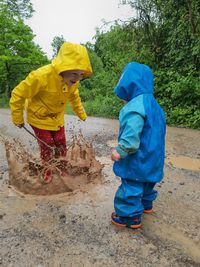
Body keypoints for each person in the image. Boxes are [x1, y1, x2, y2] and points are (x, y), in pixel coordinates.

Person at [9, 42, 93, 182]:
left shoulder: (73, 82)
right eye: (74, 73)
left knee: (60, 142)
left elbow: (74, 97)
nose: (77, 78)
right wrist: (17, 118)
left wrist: (81, 114)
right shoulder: (40, 76)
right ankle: (47, 171)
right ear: (63, 68)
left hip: (57, 118)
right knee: (48, 144)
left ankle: (62, 169)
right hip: (38, 117)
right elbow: (18, 94)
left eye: (81, 74)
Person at [111, 62, 166, 229]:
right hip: (154, 157)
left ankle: (129, 217)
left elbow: (132, 133)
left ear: (128, 84)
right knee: (148, 183)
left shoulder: (135, 106)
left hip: (139, 158)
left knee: (132, 184)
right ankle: (146, 205)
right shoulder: (156, 106)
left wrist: (120, 150)